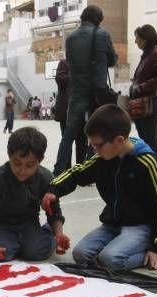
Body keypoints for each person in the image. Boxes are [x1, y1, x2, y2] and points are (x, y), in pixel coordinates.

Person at [46, 104, 157, 271]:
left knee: (110, 259)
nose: (95, 150)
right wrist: (53, 189)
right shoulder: (103, 157)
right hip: (112, 224)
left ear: (119, 141)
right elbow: (77, 172)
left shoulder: (147, 163)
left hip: (140, 226)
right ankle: (119, 248)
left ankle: (151, 251)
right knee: (81, 254)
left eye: (98, 145)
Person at [0, 127, 68, 263]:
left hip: (29, 222)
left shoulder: (45, 177)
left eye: (30, 165)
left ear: (40, 160)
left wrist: (58, 234)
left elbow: (54, 211)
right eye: (16, 163)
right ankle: (17, 242)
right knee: (3, 255)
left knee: (38, 252)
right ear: (9, 155)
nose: (22, 171)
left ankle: (45, 232)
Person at [52, 5, 117, 175]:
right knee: (101, 131)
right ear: (98, 19)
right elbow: (112, 59)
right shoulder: (102, 35)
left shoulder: (71, 38)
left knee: (69, 134)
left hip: (77, 91)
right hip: (98, 91)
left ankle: (58, 171)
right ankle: (95, 168)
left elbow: (70, 62)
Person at [130, 25, 157, 157]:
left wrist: (141, 87)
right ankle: (149, 168)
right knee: (144, 137)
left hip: (151, 100)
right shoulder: (147, 55)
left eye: (137, 38)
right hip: (143, 100)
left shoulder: (156, 53)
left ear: (145, 39)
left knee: (150, 137)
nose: (135, 41)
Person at [53, 59, 88, 166]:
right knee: (67, 140)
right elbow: (60, 79)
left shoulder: (87, 63)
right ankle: (67, 170)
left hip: (83, 109)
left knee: (82, 142)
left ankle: (80, 168)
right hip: (66, 112)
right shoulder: (64, 63)